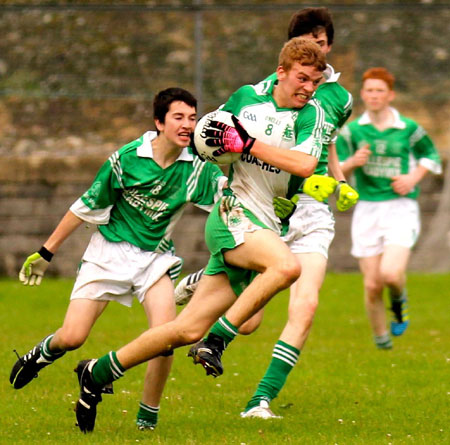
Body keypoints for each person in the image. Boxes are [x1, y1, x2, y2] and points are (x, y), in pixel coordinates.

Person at [70, 36, 329, 433]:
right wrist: (223, 147)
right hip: (233, 214)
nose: (309, 87)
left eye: (315, 81)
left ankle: (99, 370)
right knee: (287, 266)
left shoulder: (313, 114)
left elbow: (306, 164)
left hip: (267, 222)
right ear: (281, 72)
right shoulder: (245, 100)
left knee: (185, 329)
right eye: (302, 78)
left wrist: (249, 145)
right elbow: (209, 136)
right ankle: (218, 341)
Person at [9, 87, 227, 431]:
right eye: (179, 117)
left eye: (193, 117)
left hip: (155, 260)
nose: (188, 125)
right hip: (108, 253)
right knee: (73, 337)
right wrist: (46, 252)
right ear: (159, 122)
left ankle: (146, 420)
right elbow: (84, 206)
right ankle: (42, 354)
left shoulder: (197, 167)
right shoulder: (126, 159)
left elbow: (229, 198)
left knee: (166, 339)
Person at [178, 7, 359, 419]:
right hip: (265, 203)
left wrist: (340, 178)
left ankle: (260, 400)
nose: (319, 50)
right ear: (291, 55)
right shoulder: (264, 91)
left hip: (311, 209)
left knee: (306, 305)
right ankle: (204, 280)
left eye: (324, 42)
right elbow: (223, 137)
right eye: (310, 42)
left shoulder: (339, 98)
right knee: (249, 323)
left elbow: (324, 140)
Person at [336, 67, 442, 349]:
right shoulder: (353, 131)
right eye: (369, 90)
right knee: (372, 285)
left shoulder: (407, 128)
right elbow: (334, 166)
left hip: (400, 208)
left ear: (390, 95)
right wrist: (352, 163)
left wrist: (412, 178)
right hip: (367, 209)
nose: (374, 95)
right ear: (362, 94)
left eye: (380, 90)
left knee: (391, 274)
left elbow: (430, 156)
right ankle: (382, 341)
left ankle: (399, 299)